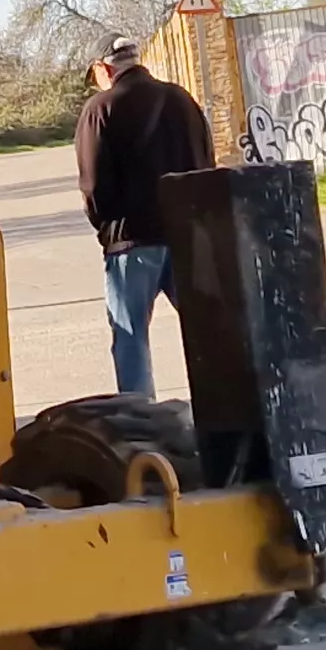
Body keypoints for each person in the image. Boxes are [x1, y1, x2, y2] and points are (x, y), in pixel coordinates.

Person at [73, 35, 213, 400]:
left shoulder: (100, 108)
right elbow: (206, 162)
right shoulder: (182, 99)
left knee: (131, 337)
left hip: (132, 241)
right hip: (187, 236)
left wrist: (107, 226)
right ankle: (223, 408)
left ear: (104, 69)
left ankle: (142, 420)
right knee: (209, 330)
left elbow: (92, 183)